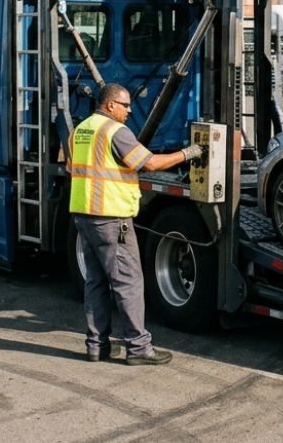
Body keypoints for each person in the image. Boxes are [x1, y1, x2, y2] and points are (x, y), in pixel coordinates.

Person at [69, 82, 202, 365]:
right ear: (109, 106)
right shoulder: (115, 131)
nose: (130, 110)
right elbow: (149, 164)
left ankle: (97, 346)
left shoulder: (80, 130)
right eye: (125, 105)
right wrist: (188, 154)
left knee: (95, 282)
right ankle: (138, 348)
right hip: (111, 217)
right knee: (128, 282)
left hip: (83, 215)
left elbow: (76, 169)